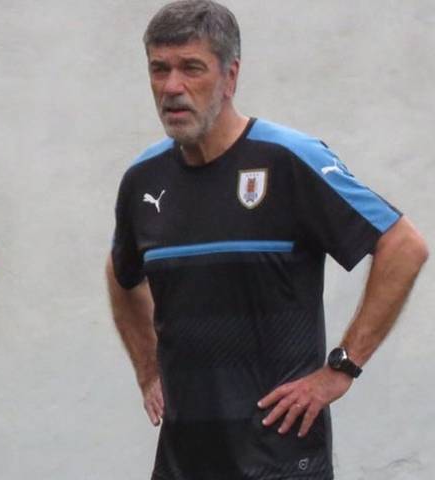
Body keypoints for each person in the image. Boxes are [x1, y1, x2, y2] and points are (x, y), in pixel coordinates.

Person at [106, 1, 428, 479]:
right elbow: (121, 273)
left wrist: (342, 367)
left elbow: (403, 246)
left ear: (230, 76)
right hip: (183, 459)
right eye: (159, 69)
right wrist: (148, 368)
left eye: (191, 68)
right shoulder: (143, 179)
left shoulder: (288, 159)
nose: (172, 86)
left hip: (281, 460)